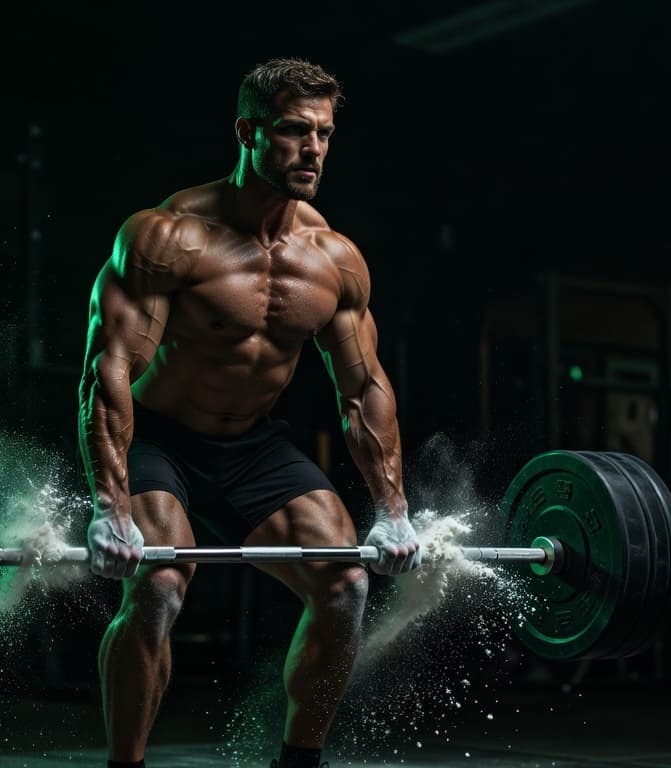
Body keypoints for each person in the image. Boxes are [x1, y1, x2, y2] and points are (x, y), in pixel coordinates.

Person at [77, 57, 421, 768]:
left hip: (253, 446)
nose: (313, 149)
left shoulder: (335, 260)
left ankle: (298, 762)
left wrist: (394, 508)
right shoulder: (166, 237)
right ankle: (124, 765)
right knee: (161, 584)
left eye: (324, 133)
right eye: (295, 130)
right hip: (160, 438)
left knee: (345, 583)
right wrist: (111, 507)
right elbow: (107, 372)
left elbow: (364, 388)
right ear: (247, 131)